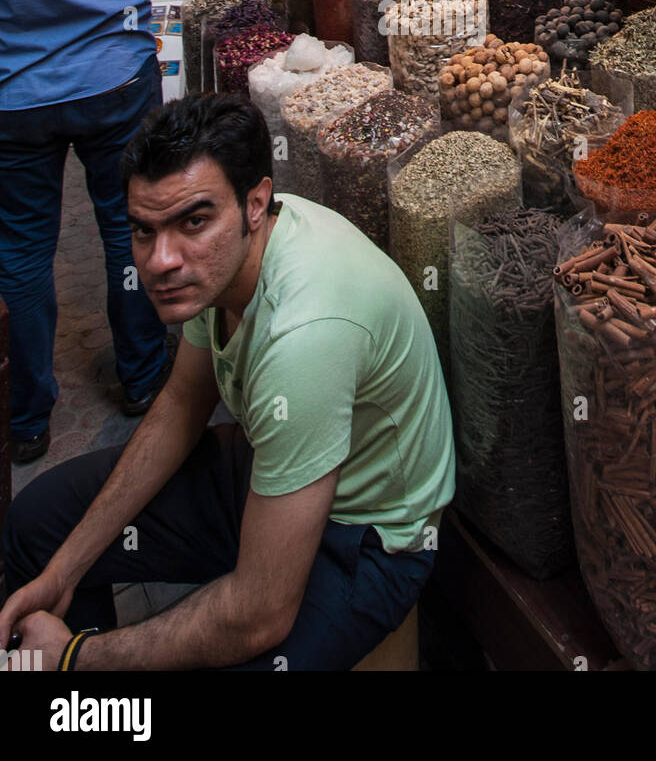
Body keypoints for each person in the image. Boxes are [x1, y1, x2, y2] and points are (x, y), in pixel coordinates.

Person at [0, 94, 454, 671]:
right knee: (38, 527)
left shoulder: (304, 335)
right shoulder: (225, 264)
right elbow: (183, 404)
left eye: (193, 221)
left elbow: (259, 613)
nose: (161, 260)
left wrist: (73, 657)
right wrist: (63, 572)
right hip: (279, 467)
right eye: (143, 231)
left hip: (367, 537)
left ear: (256, 203)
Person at [0, 0, 347, 464]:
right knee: (130, 227)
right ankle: (142, 379)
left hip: (14, 91)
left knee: (22, 250)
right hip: (110, 78)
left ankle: (26, 416)